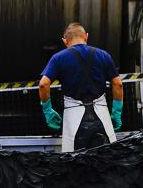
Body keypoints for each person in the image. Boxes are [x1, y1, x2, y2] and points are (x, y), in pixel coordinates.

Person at [38, 22, 123, 153]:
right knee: (107, 161)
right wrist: (116, 112)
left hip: (73, 118)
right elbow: (118, 84)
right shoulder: (104, 55)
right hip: (102, 115)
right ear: (86, 36)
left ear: (64, 41)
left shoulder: (58, 58)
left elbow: (43, 84)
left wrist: (48, 111)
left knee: (75, 164)